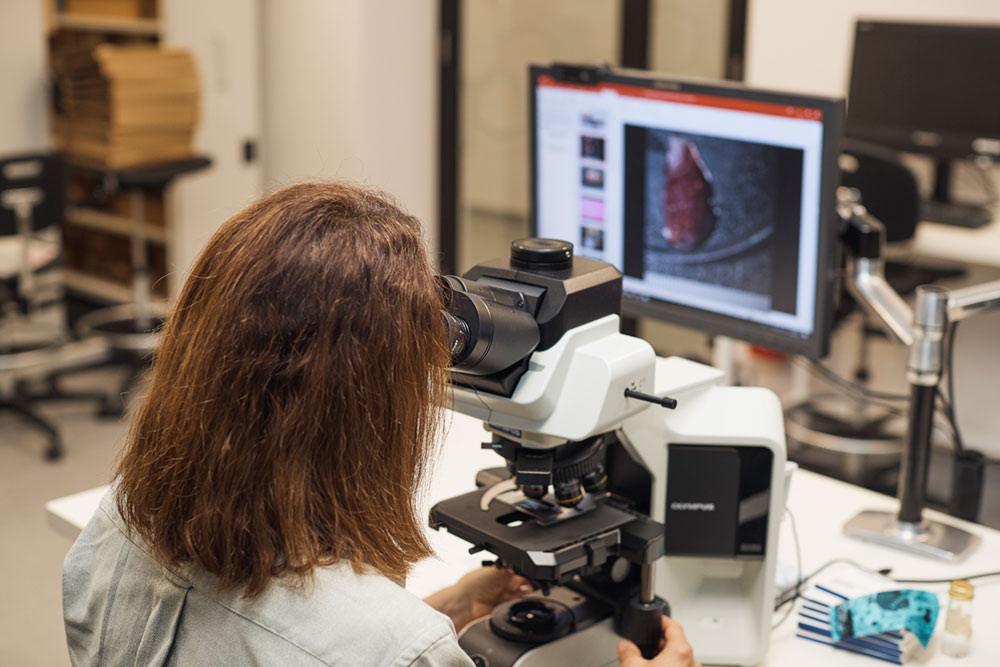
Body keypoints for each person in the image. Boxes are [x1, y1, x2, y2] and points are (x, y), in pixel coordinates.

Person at [62, 182, 698, 667]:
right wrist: (408, 635)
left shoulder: (114, 527)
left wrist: (439, 611)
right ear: (368, 416)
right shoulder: (396, 649)